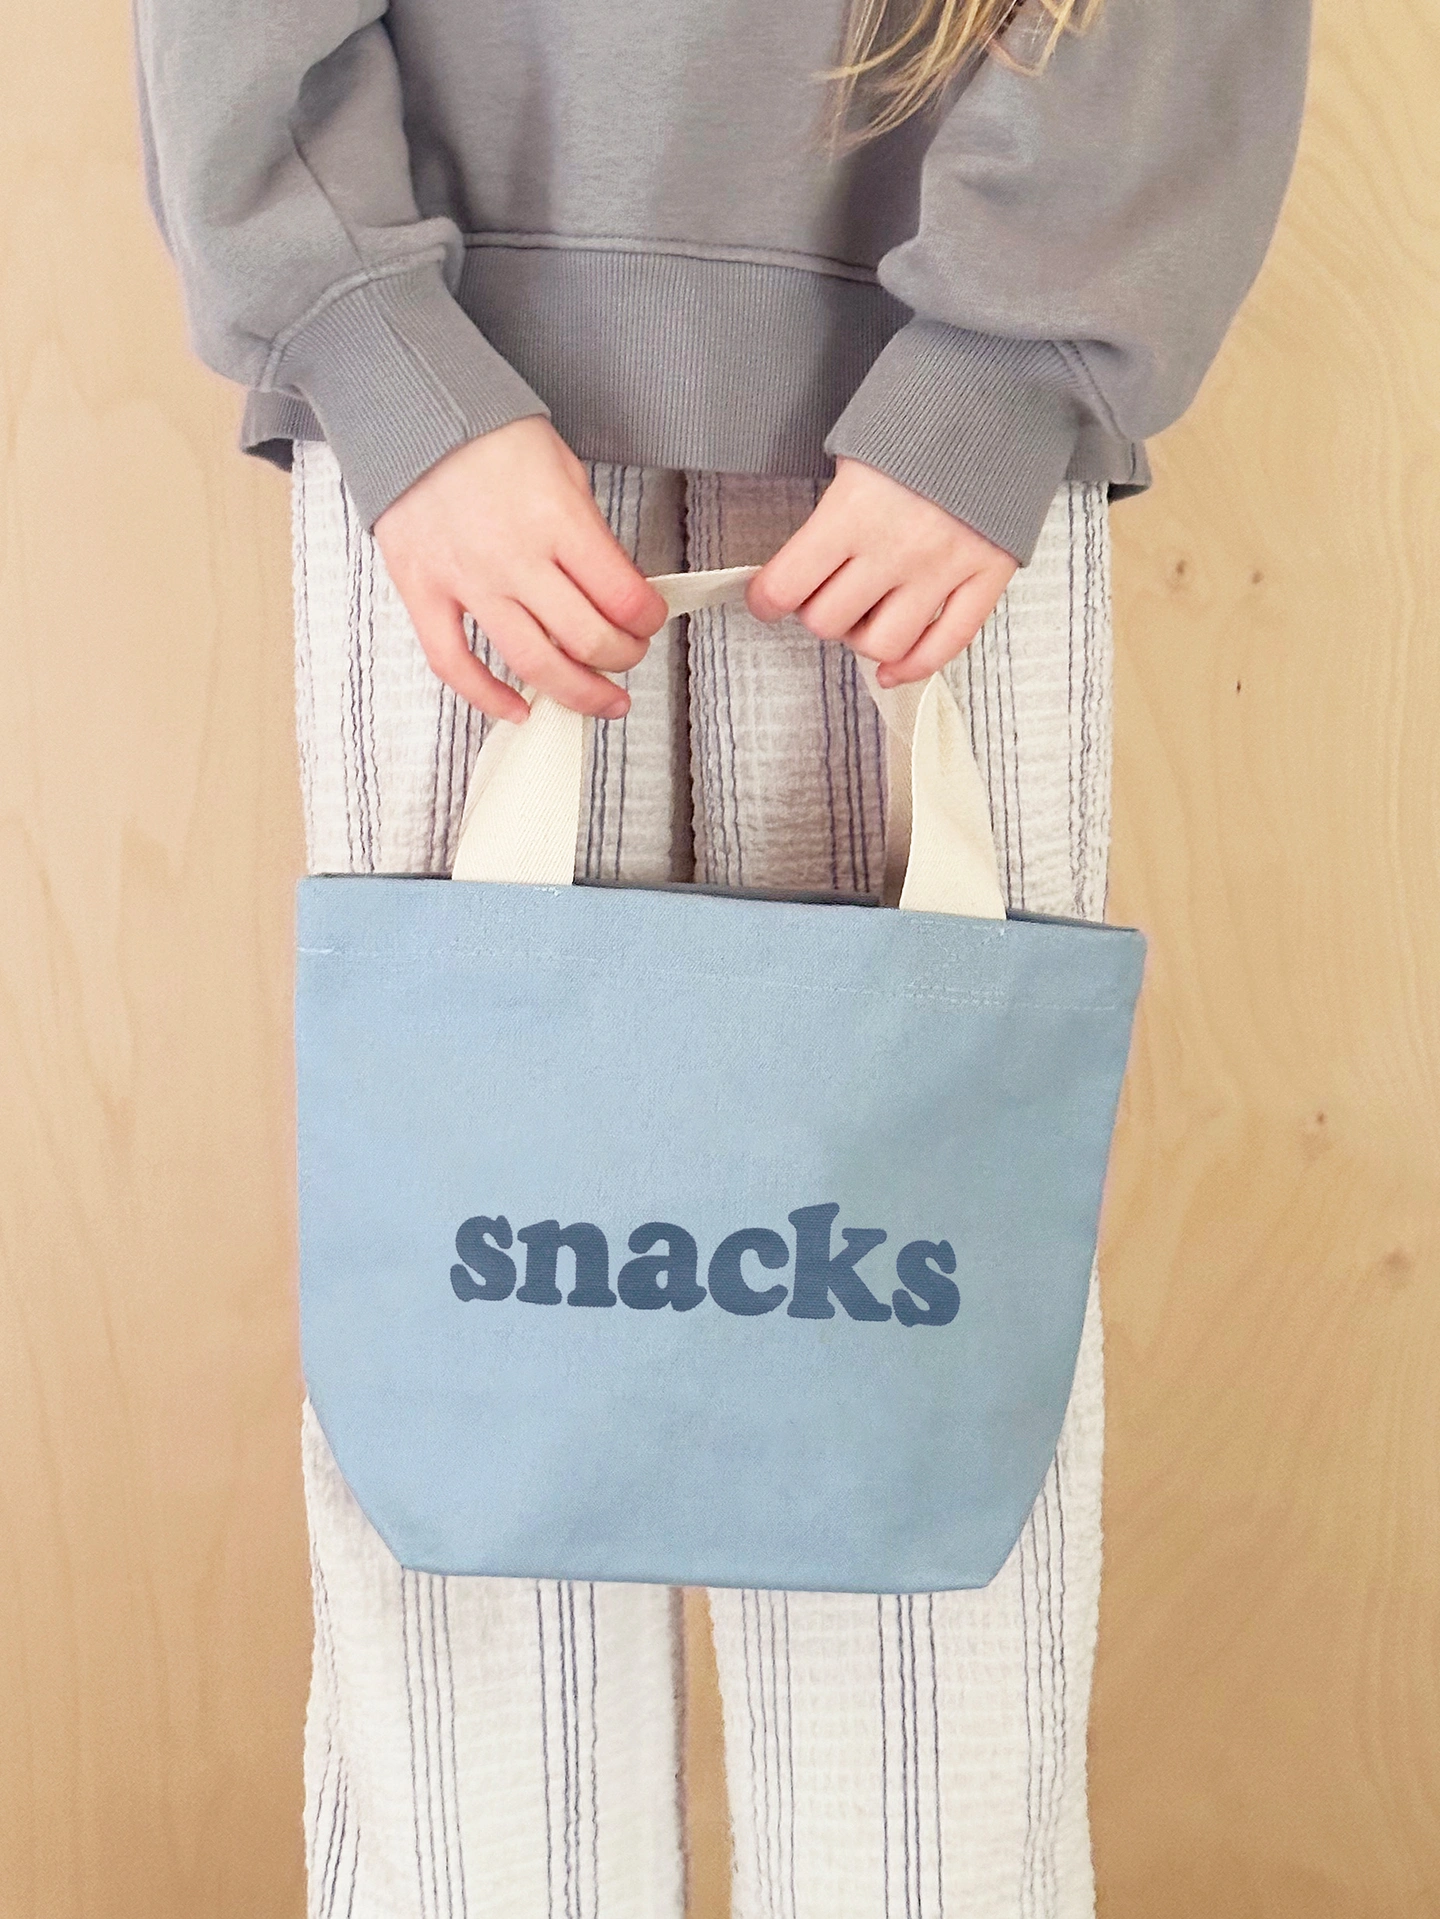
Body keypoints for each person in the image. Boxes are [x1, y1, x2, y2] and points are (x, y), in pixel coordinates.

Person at [133, 0, 1310, 1911]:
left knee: (908, 1496)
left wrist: (1010, 356)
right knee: (472, 1499)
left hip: (935, 455)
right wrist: (368, 335)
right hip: (443, 442)